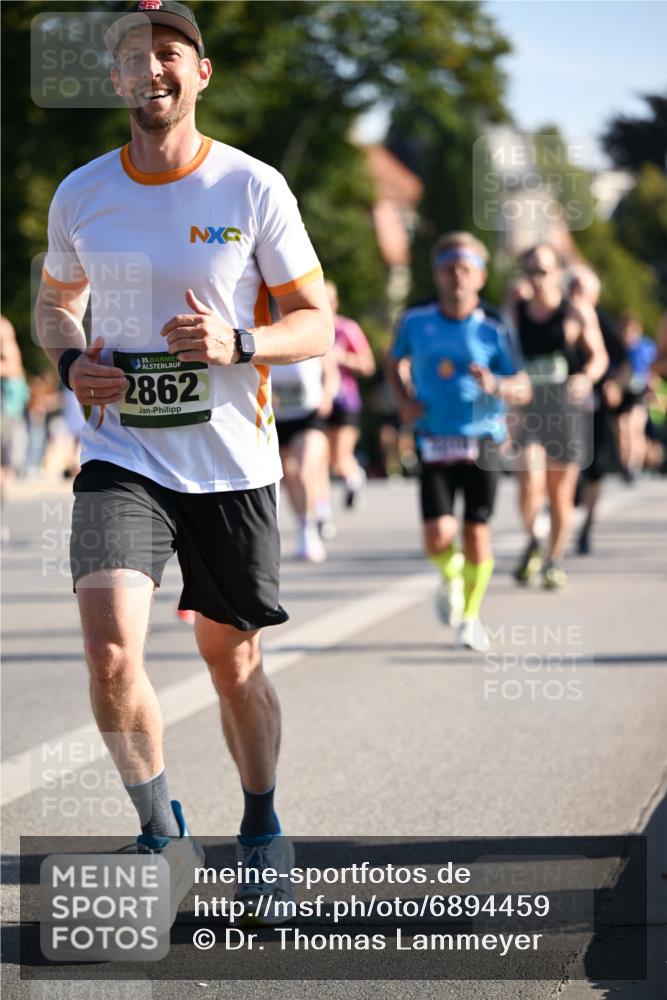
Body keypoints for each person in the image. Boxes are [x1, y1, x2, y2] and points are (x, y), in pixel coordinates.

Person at [35, 0, 332, 924]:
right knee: (112, 648)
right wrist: (66, 357)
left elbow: (316, 323)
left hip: (231, 465)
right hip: (121, 455)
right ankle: (161, 830)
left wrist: (240, 341)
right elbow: (54, 303)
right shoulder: (83, 192)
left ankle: (260, 826)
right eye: (133, 56)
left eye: (170, 53)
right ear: (116, 80)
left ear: (200, 73)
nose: (151, 68)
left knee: (230, 660)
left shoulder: (250, 188)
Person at [385, 232, 531, 652]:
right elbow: (394, 360)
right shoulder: (415, 321)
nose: (457, 277)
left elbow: (522, 386)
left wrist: (498, 384)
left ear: (481, 277)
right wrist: (402, 401)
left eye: (466, 269)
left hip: (483, 439)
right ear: (437, 275)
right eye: (449, 269)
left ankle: (469, 617)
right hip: (434, 438)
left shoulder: (494, 327)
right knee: (437, 536)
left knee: (477, 535)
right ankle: (450, 576)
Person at [509, 244, 608, 588]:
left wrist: (586, 376)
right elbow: (503, 355)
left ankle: (554, 559)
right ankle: (536, 538)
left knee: (559, 494)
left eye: (544, 271)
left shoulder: (575, 311)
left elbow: (599, 358)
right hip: (528, 410)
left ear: (557, 273)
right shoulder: (515, 311)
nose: (537, 279)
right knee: (528, 481)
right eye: (531, 271)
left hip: (564, 410)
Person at [567, 265, 627, 555]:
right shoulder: (559, 320)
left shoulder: (604, 325)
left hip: (596, 409)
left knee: (595, 472)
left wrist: (615, 384)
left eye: (583, 288)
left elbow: (625, 364)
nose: (577, 292)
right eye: (573, 286)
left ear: (595, 295)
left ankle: (587, 526)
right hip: (563, 409)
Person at [272, 352, 339, 562]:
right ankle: (303, 525)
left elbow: (331, 372)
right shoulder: (261, 330)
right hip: (278, 418)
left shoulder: (307, 328)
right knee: (288, 476)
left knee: (304, 471)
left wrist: (327, 397)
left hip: (309, 415)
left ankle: (311, 529)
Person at [324, 280, 376, 510]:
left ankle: (354, 478)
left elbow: (368, 365)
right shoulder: (302, 329)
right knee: (321, 458)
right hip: (316, 401)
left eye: (329, 301)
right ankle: (319, 510)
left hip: (345, 400)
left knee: (339, 455)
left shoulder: (347, 329)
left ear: (336, 303)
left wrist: (342, 357)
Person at [614, 313, 657, 482]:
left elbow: (652, 371)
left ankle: (633, 465)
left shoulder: (646, 348)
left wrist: (653, 388)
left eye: (631, 331)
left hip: (640, 393)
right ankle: (625, 463)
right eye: (624, 331)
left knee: (634, 428)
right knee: (622, 427)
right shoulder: (617, 348)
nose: (627, 335)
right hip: (623, 393)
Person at [0, 315, 29, 494]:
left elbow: (9, 366)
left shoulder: (3, 327)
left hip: (9, 403)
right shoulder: (5, 325)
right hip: (12, 401)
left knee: (7, 462)